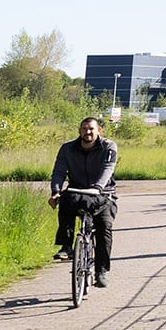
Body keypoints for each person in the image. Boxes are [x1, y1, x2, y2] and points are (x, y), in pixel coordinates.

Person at [50, 116, 118, 287]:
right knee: (65, 203)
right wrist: (56, 191)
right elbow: (59, 171)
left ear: (99, 130)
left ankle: (101, 271)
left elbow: (107, 169)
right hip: (77, 191)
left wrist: (98, 187)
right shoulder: (67, 149)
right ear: (79, 130)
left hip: (102, 193)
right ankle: (66, 247)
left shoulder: (108, 146)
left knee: (104, 227)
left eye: (91, 129)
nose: (87, 132)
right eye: (84, 129)